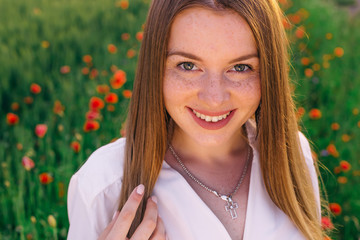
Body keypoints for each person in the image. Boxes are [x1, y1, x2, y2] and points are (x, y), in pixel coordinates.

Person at [67, 0, 329, 239]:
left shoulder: (293, 156)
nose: (214, 98)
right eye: (188, 66)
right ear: (155, 66)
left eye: (240, 68)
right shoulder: (103, 188)